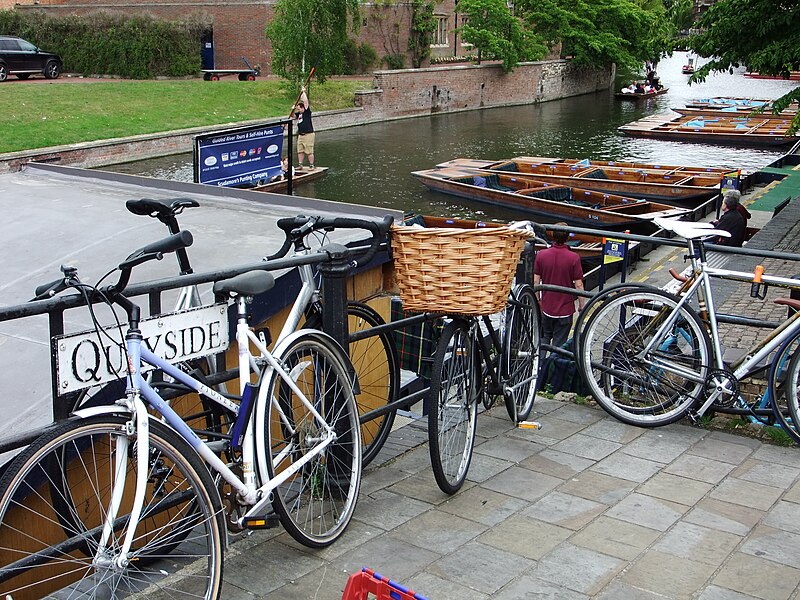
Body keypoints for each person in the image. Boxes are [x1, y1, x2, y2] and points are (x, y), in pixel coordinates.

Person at [533, 223, 585, 351]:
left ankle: (539, 365)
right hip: (565, 310)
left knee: (544, 338)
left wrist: (538, 300)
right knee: (559, 346)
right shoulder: (574, 258)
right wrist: (582, 305)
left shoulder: (541, 255)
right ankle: (551, 367)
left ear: (552, 235)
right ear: (568, 237)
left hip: (547, 308)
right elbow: (579, 284)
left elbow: (536, 281)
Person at [293, 87, 315, 171]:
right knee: (300, 150)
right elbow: (293, 116)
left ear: (302, 108)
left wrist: (303, 92)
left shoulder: (306, 112)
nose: (298, 110)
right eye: (298, 109)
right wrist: (293, 109)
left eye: (299, 109)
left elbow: (305, 102)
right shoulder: (299, 114)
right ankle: (300, 165)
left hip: (308, 134)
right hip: (301, 135)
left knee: (309, 151)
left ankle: (311, 165)